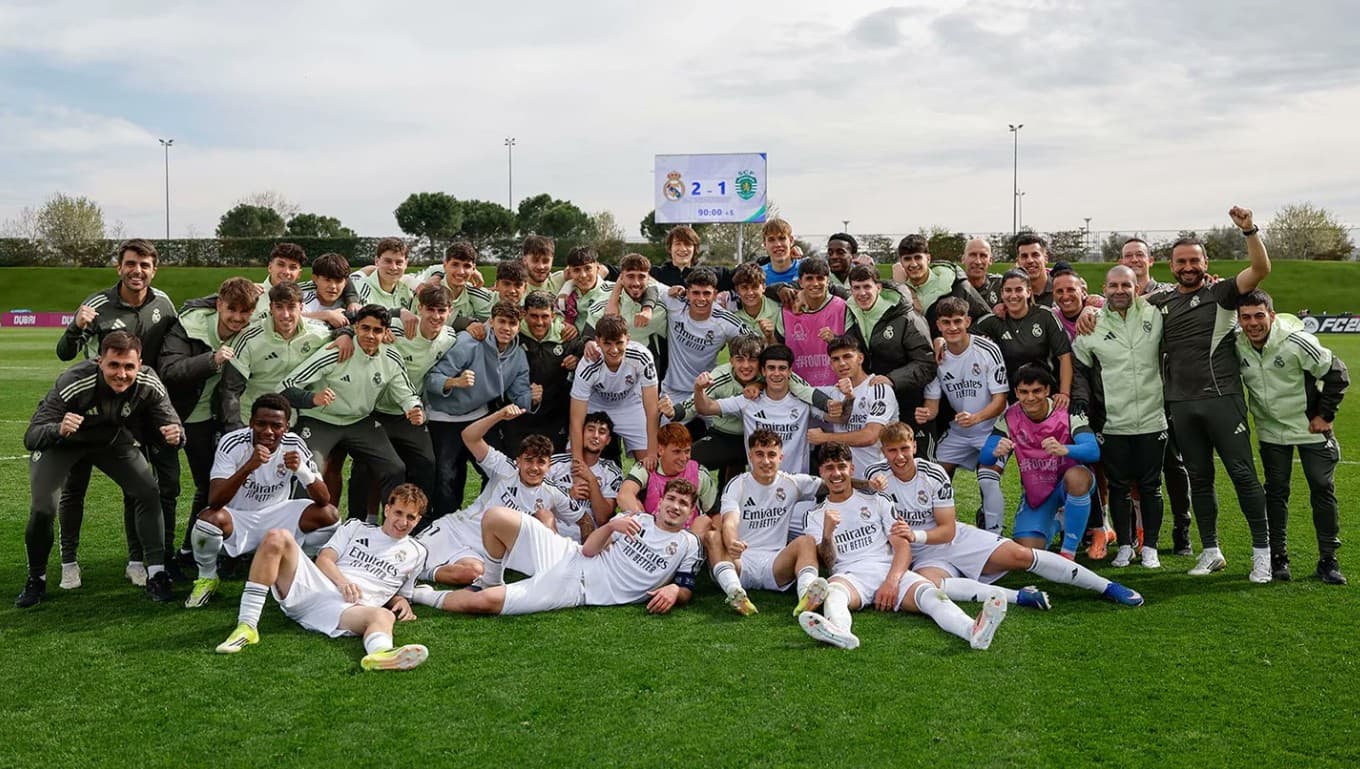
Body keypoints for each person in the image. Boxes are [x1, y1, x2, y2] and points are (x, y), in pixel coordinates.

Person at [865, 423, 1143, 609]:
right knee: (931, 586)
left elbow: (947, 530)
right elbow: (852, 488)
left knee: (1022, 556)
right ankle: (1020, 597)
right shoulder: (875, 475)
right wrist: (867, 486)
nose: (900, 456)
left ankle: (1107, 587)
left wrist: (915, 534)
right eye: (892, 451)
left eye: (904, 449)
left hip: (950, 539)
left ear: (914, 446)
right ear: (883, 452)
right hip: (920, 556)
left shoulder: (934, 473)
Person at [1141, 207, 1272, 581]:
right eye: (1181, 261)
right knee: (1199, 479)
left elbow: (1260, 270)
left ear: (1205, 262)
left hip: (1221, 400)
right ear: (1171, 265)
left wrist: (1249, 230)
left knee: (1243, 475)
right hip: (1181, 405)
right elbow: (1119, 307)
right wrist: (1091, 309)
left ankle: (1261, 553)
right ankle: (1211, 550)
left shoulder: (1222, 293)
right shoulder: (1159, 303)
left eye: (1193, 260)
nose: (1187, 266)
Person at [17, 331, 184, 607]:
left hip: (110, 439)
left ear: (139, 364)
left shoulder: (148, 380)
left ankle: (157, 573)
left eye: (129, 366)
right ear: (99, 362)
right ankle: (36, 579)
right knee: (43, 506)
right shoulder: (74, 381)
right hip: (64, 442)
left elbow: (171, 420)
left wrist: (176, 434)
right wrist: (57, 428)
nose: (122, 374)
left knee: (148, 490)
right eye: (114, 365)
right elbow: (31, 436)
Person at [794, 443, 1007, 651]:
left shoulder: (878, 500)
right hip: (850, 576)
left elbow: (902, 546)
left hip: (889, 568)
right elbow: (828, 562)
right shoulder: (814, 515)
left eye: (841, 466)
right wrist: (828, 533)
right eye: (829, 468)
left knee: (931, 595)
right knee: (833, 593)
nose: (836, 473)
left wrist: (892, 581)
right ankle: (840, 632)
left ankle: (973, 631)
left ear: (851, 468)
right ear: (821, 472)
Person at [53, 238, 179, 589]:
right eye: (130, 264)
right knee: (74, 488)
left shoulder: (164, 304)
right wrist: (76, 326)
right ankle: (68, 562)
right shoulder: (98, 304)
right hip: (92, 407)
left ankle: (137, 560)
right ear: (118, 267)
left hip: (142, 404)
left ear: (154, 269)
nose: (137, 271)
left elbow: (176, 346)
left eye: (144, 265)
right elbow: (65, 353)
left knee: (137, 486)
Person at [214, 483, 431, 672]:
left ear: (418, 519)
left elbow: (402, 591)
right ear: (387, 509)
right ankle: (247, 625)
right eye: (399, 513)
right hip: (315, 588)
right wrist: (343, 582)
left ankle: (380, 655)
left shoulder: (417, 552)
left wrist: (401, 600)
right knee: (277, 536)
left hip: (349, 609)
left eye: (411, 517)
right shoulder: (355, 527)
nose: (403, 522)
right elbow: (324, 559)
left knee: (383, 616)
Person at [411, 480, 702, 617]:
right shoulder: (635, 519)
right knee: (495, 516)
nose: (675, 507)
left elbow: (686, 587)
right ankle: (490, 577)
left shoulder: (688, 544)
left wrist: (676, 591)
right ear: (661, 502)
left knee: (481, 603)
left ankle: (418, 595)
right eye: (671, 499)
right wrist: (612, 526)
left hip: (576, 589)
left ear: (690, 512)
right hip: (569, 554)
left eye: (683, 504)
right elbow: (588, 550)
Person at [1235, 289, 1349, 584]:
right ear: (1239, 320)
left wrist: (1325, 416)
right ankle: (1278, 558)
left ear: (1271, 316)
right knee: (1275, 491)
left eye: (1259, 316)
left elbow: (1337, 372)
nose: (1253, 323)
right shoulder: (1236, 344)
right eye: (1246, 317)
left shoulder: (1297, 342)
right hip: (1271, 431)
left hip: (1309, 429)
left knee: (1322, 487)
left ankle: (1328, 560)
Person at [185, 394, 340, 608]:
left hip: (278, 517)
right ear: (251, 423)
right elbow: (215, 500)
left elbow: (324, 499)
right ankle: (207, 577)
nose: (268, 431)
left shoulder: (294, 444)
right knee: (206, 521)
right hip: (239, 517)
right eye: (261, 424)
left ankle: (300, 564)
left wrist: (302, 470)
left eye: (276, 426)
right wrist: (249, 466)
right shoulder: (233, 443)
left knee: (329, 516)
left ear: (286, 426)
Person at [280, 304, 423, 519]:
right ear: (356, 328)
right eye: (365, 328)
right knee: (309, 470)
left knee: (394, 467)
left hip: (359, 420)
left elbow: (406, 392)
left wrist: (414, 408)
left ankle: (388, 528)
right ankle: (301, 530)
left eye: (377, 330)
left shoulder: (391, 357)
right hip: (321, 419)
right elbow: (287, 384)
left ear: (386, 333)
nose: (370, 335)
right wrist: (312, 399)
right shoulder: (336, 351)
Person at [417, 404, 581, 586]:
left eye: (541, 462)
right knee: (408, 559)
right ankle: (413, 569)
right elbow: (469, 437)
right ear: (518, 461)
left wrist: (588, 557)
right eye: (528, 461)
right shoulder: (504, 468)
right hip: (456, 530)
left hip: (482, 552)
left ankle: (423, 575)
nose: (534, 468)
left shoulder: (553, 493)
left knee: (472, 574)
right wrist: (499, 415)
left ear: (549, 466)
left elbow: (585, 520)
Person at [1072, 266, 1167, 568]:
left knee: (1151, 486)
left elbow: (1175, 293)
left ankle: (1149, 546)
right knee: (1119, 485)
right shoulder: (1092, 325)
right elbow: (1079, 368)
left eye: (1126, 284)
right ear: (1105, 288)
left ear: (1137, 287)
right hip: (1113, 422)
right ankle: (1125, 545)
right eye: (1113, 285)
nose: (1119, 290)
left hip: (1154, 417)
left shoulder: (1154, 314)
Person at [159, 277, 257, 569]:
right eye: (232, 310)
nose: (238, 318)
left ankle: (193, 549)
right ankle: (159, 559)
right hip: (177, 416)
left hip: (215, 419)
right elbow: (170, 370)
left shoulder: (250, 330)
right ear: (218, 305)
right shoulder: (189, 325)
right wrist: (211, 360)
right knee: (166, 489)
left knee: (212, 488)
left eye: (245, 312)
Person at [348, 283, 457, 520]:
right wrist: (345, 337)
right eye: (430, 310)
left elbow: (467, 328)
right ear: (419, 308)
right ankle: (357, 521)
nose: (436, 316)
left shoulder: (449, 337)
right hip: (375, 409)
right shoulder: (396, 329)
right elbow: (362, 324)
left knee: (427, 462)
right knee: (365, 466)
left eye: (442, 311)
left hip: (409, 412)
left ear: (450, 311)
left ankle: (419, 523)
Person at [663, 335, 832, 487]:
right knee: (689, 460)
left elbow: (805, 391)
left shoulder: (774, 371)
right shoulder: (720, 376)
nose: (746, 366)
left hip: (761, 439)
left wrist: (830, 404)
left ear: (761, 364)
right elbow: (698, 405)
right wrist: (674, 411)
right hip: (727, 435)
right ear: (731, 361)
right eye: (739, 359)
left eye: (752, 360)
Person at [423, 301, 531, 520]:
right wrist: (454, 382)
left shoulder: (518, 355)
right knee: (447, 476)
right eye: (501, 321)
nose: (506, 328)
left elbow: (521, 397)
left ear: (519, 326)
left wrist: (532, 398)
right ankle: (444, 525)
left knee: (499, 472)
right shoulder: (468, 342)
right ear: (491, 321)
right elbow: (432, 379)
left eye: (512, 323)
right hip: (444, 417)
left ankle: (485, 519)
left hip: (478, 417)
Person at [1119, 236, 1193, 554]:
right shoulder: (1114, 296)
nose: (1134, 259)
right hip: (1132, 396)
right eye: (1128, 255)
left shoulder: (1168, 293)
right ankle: (1141, 533)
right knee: (1134, 471)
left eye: (1140, 254)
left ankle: (1182, 528)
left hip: (1168, 391)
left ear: (1150, 260)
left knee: (1173, 464)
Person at [979, 364, 1099, 559]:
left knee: (1077, 476)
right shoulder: (1010, 416)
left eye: (1037, 391)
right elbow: (984, 458)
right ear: (1016, 393)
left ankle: (1068, 551)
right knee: (1028, 552)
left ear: (1047, 391)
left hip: (1068, 484)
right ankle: (1058, 519)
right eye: (1024, 392)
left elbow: (1093, 451)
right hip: (1038, 491)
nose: (1031, 397)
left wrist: (1065, 449)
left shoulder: (1067, 411)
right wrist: (995, 451)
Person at [914, 297, 1009, 534]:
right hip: (960, 430)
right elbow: (933, 403)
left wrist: (976, 418)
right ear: (938, 325)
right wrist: (927, 413)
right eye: (946, 323)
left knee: (987, 477)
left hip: (993, 427)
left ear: (968, 321)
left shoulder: (987, 349)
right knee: (933, 474)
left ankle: (994, 536)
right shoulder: (938, 356)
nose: (953, 327)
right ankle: (936, 528)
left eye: (958, 321)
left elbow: (1000, 401)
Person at [705, 430, 825, 616]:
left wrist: (867, 485)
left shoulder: (792, 483)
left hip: (775, 565)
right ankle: (735, 593)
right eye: (759, 454)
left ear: (780, 457)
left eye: (771, 455)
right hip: (740, 562)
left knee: (807, 541)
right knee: (713, 536)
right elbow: (729, 522)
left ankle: (806, 597)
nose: (766, 461)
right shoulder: (738, 484)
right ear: (750, 456)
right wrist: (732, 544)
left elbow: (835, 483)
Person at [693, 344, 841, 474]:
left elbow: (840, 418)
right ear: (763, 371)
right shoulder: (748, 400)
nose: (776, 373)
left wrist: (848, 398)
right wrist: (699, 389)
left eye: (782, 368)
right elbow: (705, 408)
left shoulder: (802, 402)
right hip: (760, 488)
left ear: (790, 372)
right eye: (771, 368)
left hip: (798, 489)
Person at [843, 264, 936, 448]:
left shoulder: (905, 316)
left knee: (916, 464)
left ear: (878, 287)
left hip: (910, 403)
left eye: (867, 286)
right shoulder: (851, 312)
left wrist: (892, 379)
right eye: (856, 288)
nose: (862, 293)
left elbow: (927, 363)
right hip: (873, 404)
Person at [220, 281, 333, 431]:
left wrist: (345, 334)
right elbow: (230, 388)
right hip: (253, 418)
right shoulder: (249, 338)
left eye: (291, 307)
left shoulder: (319, 333)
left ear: (301, 307)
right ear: (271, 308)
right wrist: (234, 428)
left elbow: (352, 334)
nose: (285, 315)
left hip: (296, 418)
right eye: (279, 307)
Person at [656, 266, 752, 412]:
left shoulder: (725, 320)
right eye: (696, 293)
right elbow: (648, 283)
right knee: (667, 434)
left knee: (723, 431)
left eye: (706, 293)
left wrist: (755, 383)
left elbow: (757, 344)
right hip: (673, 391)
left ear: (715, 294)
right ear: (687, 293)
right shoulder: (674, 302)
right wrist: (647, 308)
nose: (701, 299)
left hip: (709, 390)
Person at [972, 269, 1074, 406]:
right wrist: (941, 341)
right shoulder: (993, 321)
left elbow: (1065, 356)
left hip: (1042, 394)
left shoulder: (1045, 316)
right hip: (1008, 398)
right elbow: (962, 336)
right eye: (1008, 290)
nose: (1013, 295)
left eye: (1019, 289)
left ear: (1028, 292)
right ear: (1002, 293)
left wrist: (1064, 393)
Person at [569, 315, 659, 466]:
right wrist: (578, 463)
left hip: (630, 406)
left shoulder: (642, 357)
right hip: (596, 407)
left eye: (619, 343)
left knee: (649, 465)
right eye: (607, 343)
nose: (614, 350)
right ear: (597, 341)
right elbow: (576, 421)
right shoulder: (588, 365)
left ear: (628, 339)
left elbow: (652, 410)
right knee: (576, 455)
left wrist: (652, 453)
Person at [808, 335, 899, 476]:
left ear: (860, 358)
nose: (842, 363)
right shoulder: (831, 393)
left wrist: (825, 438)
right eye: (836, 359)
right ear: (831, 365)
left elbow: (871, 436)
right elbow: (797, 390)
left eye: (847, 356)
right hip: (846, 482)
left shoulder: (878, 388)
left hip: (879, 480)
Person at [511, 291, 585, 454]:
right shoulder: (512, 335)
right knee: (514, 468)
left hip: (555, 416)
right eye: (534, 316)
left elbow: (587, 349)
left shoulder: (566, 336)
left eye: (544, 316)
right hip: (518, 416)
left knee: (553, 469)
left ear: (553, 315)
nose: (539, 322)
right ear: (524, 314)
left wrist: (577, 361)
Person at [616, 423, 719, 531]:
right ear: (661, 450)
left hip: (688, 535)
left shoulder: (699, 473)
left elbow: (714, 513)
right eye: (677, 452)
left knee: (704, 523)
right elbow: (624, 495)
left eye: (687, 451)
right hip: (652, 529)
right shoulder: (648, 467)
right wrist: (644, 523)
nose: (684, 458)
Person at [547, 411, 623, 534]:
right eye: (591, 430)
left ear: (608, 440)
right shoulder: (555, 463)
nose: (596, 436)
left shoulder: (612, 472)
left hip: (588, 539)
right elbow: (535, 498)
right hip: (554, 531)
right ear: (580, 434)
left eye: (602, 432)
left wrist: (592, 480)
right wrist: (567, 495)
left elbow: (602, 519)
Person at [893, 234, 990, 322]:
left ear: (928, 259)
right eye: (907, 259)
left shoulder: (955, 283)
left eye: (918, 258)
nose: (913, 264)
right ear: (900, 262)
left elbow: (986, 317)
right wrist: (902, 288)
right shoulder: (896, 290)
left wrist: (964, 337)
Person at [781, 258, 847, 387]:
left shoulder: (842, 307)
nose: (815, 283)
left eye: (820, 278)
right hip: (798, 389)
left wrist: (835, 340)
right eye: (809, 278)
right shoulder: (787, 310)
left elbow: (854, 346)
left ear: (827, 281)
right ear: (800, 282)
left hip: (836, 386)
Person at [594, 253, 666, 359]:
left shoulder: (659, 309)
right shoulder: (603, 301)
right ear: (621, 277)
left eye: (641, 277)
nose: (636, 283)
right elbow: (590, 335)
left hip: (643, 368)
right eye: (630, 276)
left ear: (648, 278)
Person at [730, 262, 783, 344]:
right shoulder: (731, 313)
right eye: (744, 287)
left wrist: (770, 337)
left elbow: (781, 352)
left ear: (764, 287)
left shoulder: (778, 310)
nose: (750, 293)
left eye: (755, 287)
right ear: (737, 290)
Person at [302, 252, 359, 328]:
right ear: (315, 279)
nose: (333, 286)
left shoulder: (350, 305)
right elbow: (293, 316)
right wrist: (327, 315)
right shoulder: (306, 299)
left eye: (338, 281)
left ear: (345, 282)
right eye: (327, 280)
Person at [962, 237, 1004, 309]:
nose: (978, 261)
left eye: (983, 256)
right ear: (963, 259)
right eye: (973, 255)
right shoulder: (954, 287)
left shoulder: (1000, 285)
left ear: (990, 260)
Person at [760, 218, 801, 286]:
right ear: (765, 245)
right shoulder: (759, 276)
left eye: (782, 238)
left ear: (791, 241)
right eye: (771, 240)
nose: (778, 244)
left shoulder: (806, 270)